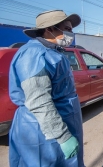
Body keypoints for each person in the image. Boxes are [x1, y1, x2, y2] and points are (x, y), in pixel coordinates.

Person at [9, 10, 85, 167]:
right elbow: (39, 101)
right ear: (49, 29)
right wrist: (62, 136)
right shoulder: (34, 54)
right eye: (67, 29)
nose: (71, 33)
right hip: (42, 132)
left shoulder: (53, 52)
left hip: (60, 124)